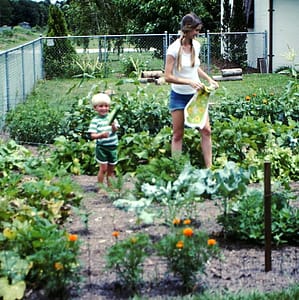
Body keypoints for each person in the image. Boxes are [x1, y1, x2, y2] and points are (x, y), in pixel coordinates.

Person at [164, 12, 219, 168]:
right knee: (178, 135)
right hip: (179, 96)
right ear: (187, 29)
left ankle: (210, 169)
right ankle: (176, 169)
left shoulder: (196, 45)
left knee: (206, 131)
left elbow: (195, 67)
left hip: (197, 96)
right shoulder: (173, 50)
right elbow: (167, 76)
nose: (197, 33)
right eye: (196, 30)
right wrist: (189, 82)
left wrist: (208, 79)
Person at [88, 92, 119, 189]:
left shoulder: (112, 118)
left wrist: (113, 126)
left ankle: (110, 187)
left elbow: (115, 130)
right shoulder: (95, 120)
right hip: (102, 148)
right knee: (103, 169)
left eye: (106, 106)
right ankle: (100, 187)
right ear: (95, 108)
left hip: (113, 146)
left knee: (111, 170)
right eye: (101, 106)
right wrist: (100, 135)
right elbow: (92, 135)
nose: (104, 108)